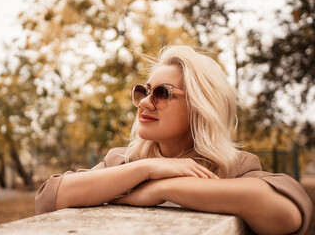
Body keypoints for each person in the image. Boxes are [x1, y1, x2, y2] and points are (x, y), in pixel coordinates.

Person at [35, 45, 312, 235]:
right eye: (144, 91)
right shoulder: (123, 161)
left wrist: (162, 189)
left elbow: (289, 215)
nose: (144, 102)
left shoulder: (234, 167)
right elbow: (49, 198)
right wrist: (147, 169)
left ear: (201, 106)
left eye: (162, 93)